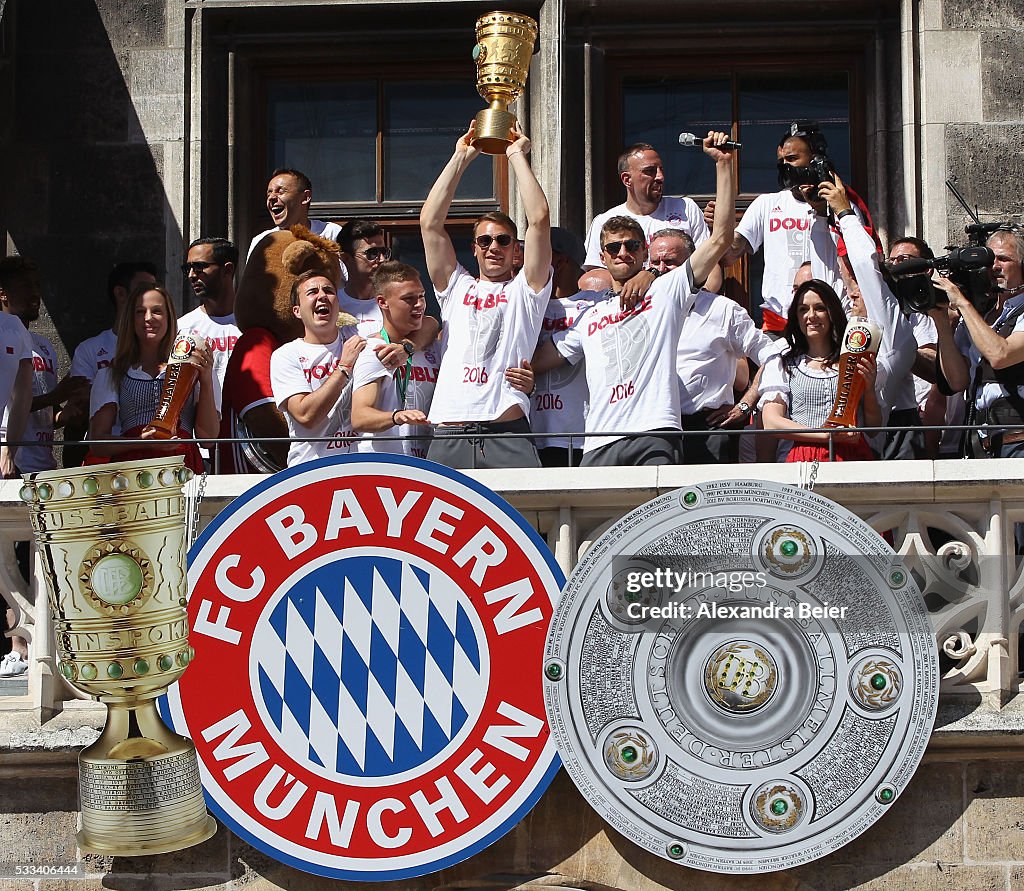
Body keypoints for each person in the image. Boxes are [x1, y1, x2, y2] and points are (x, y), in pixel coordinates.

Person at [532, 132, 737, 466]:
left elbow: (720, 240)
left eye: (631, 245)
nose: (622, 253)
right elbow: (546, 356)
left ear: (645, 250)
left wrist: (723, 164)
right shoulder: (591, 315)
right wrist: (514, 370)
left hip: (653, 433)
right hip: (599, 440)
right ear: (602, 255)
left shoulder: (668, 293)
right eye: (614, 248)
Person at [419, 119, 552, 470]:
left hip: (505, 431)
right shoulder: (456, 286)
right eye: (484, 240)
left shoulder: (527, 291)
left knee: (525, 523)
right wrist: (461, 157)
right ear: (474, 249)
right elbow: (430, 223)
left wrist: (515, 154)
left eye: (503, 240)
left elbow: (538, 220)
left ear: (515, 250)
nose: (494, 247)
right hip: (449, 431)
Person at [712, 122, 869, 335]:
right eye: (782, 161)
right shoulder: (766, 204)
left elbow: (859, 261)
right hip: (778, 325)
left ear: (816, 158)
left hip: (826, 323)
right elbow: (729, 256)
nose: (785, 166)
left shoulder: (840, 204)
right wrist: (720, 225)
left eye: (793, 159)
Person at [646, 229, 775, 463]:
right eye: (655, 261)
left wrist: (746, 404)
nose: (661, 269)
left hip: (706, 429)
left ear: (694, 264)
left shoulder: (723, 310)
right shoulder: (641, 310)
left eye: (671, 262)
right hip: (653, 430)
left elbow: (772, 356)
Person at [87, 284, 218, 473]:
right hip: (134, 470)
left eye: (157, 311)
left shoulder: (195, 368)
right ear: (130, 320)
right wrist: (140, 442)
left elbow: (208, 439)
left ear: (169, 317)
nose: (148, 318)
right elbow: (97, 442)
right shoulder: (112, 373)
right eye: (140, 312)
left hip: (182, 466)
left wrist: (205, 379)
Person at [760, 280, 880, 462]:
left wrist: (869, 388)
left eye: (820, 308)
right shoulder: (784, 362)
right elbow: (771, 423)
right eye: (803, 309)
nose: (811, 316)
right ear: (796, 316)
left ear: (832, 312)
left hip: (852, 457)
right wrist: (826, 435)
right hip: (804, 458)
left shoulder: (851, 359)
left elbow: (874, 427)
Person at [0, 256, 51, 680]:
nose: (35, 294)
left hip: (29, 458)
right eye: (24, 285)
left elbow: (22, 399)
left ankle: (24, 643)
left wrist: (8, 446)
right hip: (14, 453)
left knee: (26, 555)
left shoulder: (24, 335)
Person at [932, 226, 1024, 458]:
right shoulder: (978, 317)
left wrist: (962, 304)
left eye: (1004, 259)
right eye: (990, 259)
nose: (994, 267)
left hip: (1018, 442)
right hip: (979, 442)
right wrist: (942, 321)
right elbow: (957, 381)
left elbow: (1000, 354)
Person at [583, 142, 719, 294]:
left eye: (661, 169)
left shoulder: (685, 208)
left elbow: (710, 264)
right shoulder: (605, 221)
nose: (660, 177)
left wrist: (700, 301)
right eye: (650, 171)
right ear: (627, 179)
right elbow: (597, 274)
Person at [269, 271, 367, 466]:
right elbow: (305, 415)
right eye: (312, 292)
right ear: (297, 311)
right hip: (310, 469)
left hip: (359, 466)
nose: (322, 296)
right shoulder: (286, 355)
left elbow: (425, 325)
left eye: (329, 291)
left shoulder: (359, 338)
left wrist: (405, 347)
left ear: (338, 306)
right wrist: (344, 367)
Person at [65, 261, 158, 467]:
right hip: (106, 455)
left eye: (155, 288)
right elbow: (81, 404)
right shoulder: (89, 349)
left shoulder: (168, 348)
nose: (152, 294)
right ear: (120, 293)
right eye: (144, 289)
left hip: (156, 450)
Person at [531, 227, 598, 467]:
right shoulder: (521, 301)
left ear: (559, 261)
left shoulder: (596, 305)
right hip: (526, 436)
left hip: (578, 437)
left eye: (536, 253)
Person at [350, 263, 432, 454]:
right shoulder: (375, 350)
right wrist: (397, 417)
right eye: (409, 299)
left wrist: (407, 347)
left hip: (428, 461)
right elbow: (360, 417)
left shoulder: (430, 343)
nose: (419, 304)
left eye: (421, 296)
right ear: (382, 302)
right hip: (385, 464)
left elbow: (432, 323)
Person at [178, 237, 241, 407]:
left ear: (227, 270)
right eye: (187, 268)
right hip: (200, 429)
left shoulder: (253, 325)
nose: (191, 275)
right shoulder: (182, 329)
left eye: (199, 267)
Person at [247, 169, 342, 260]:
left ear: (305, 197)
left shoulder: (331, 233)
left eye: (280, 191)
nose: (271, 197)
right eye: (269, 194)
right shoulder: (262, 241)